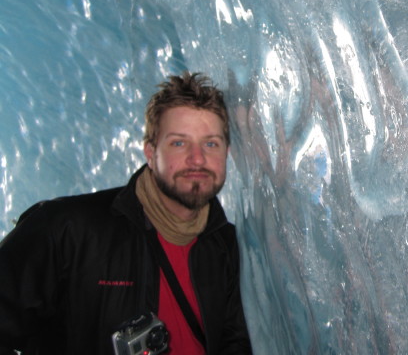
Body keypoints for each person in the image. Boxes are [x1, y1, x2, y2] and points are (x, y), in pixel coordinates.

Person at [0, 72, 253, 355]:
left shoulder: (228, 246)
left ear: (226, 152)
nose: (197, 158)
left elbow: (235, 342)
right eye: (179, 143)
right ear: (150, 152)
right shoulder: (67, 230)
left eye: (211, 143)